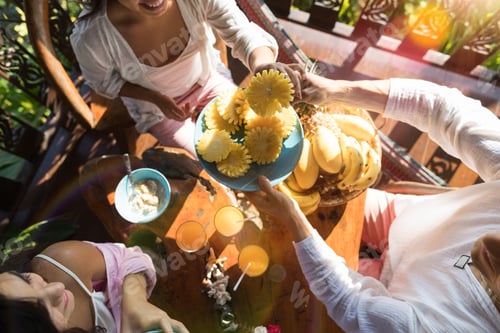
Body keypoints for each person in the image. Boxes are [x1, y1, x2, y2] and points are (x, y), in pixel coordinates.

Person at [244, 75, 500, 332]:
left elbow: (350, 302)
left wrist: (294, 219)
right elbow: (443, 109)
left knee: (278, 288)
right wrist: (339, 89)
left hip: (385, 296)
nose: (493, 240)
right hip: (400, 220)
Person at [70, 0, 300, 157]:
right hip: (157, 110)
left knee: (257, 134)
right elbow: (105, 83)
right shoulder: (92, 39)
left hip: (207, 79)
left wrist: (263, 65)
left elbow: (241, 32)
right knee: (211, 159)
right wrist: (156, 99)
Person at [0, 240, 189, 333]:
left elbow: (133, 257)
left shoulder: (62, 264)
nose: (56, 288)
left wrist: (135, 301)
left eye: (25, 279)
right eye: (43, 310)